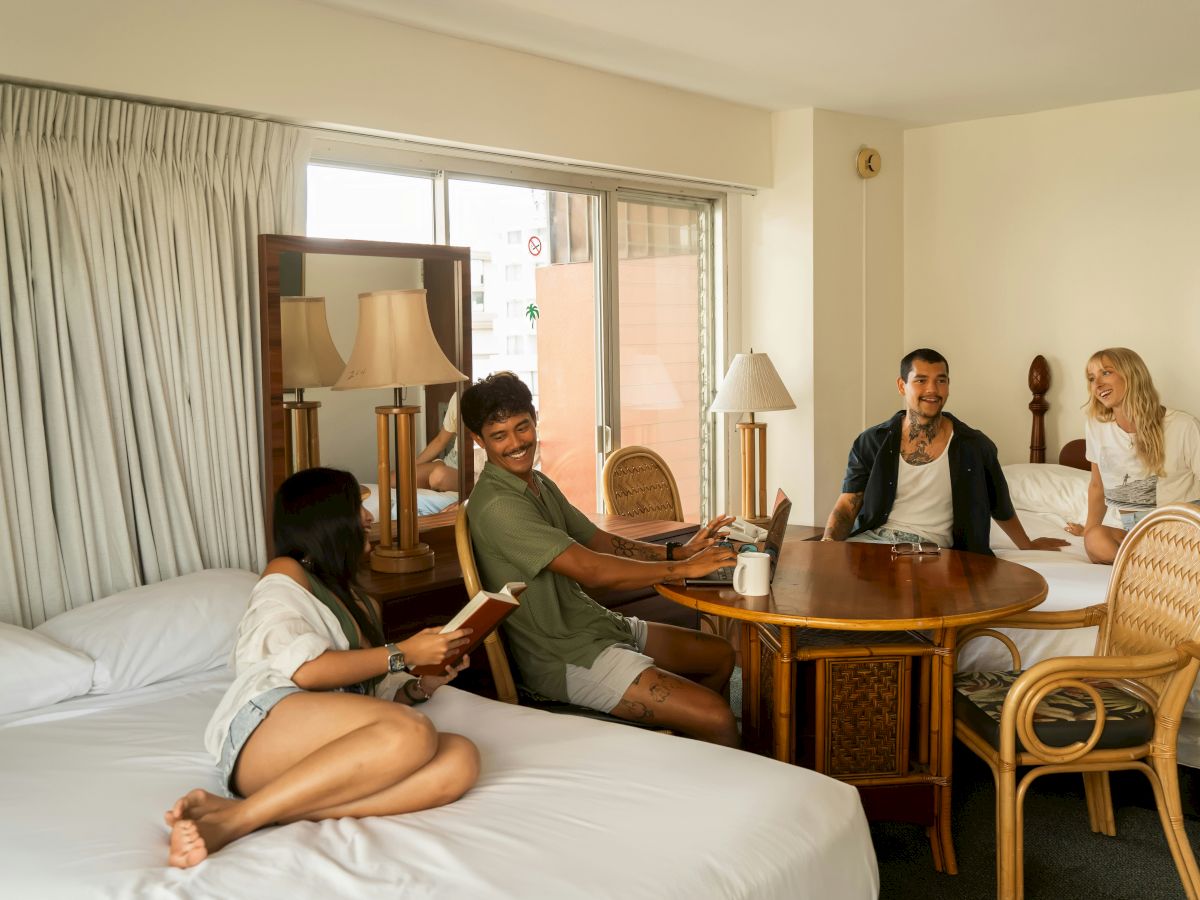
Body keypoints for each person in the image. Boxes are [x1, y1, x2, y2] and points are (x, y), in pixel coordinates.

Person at [165, 467, 479, 868]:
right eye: (358, 507)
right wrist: (402, 653)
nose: (369, 518)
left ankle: (265, 811)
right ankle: (235, 822)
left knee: (460, 759)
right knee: (412, 731)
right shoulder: (286, 572)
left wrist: (421, 685)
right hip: (267, 732)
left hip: (327, 748)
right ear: (326, 518)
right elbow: (306, 671)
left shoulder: (363, 603)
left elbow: (368, 697)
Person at [460, 372, 742, 746]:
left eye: (522, 427)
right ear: (478, 440)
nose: (516, 443)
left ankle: (690, 756)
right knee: (717, 716)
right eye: (499, 436)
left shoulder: (538, 483)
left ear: (534, 419)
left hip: (595, 626)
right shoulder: (499, 506)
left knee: (720, 656)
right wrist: (682, 568)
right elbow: (591, 570)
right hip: (563, 656)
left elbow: (599, 541)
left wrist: (678, 551)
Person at [823, 348, 1067, 555]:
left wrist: (1027, 545)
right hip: (870, 544)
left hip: (930, 554)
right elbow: (847, 506)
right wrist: (827, 546)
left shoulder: (975, 446)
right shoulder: (871, 441)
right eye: (921, 380)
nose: (933, 389)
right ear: (901, 386)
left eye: (941, 380)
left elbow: (1000, 505)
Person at [1066, 348, 1200, 564]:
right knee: (1095, 539)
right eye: (1091, 378)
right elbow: (1097, 486)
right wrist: (1088, 531)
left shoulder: (1184, 426)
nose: (1097, 384)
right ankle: (1150, 568)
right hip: (1137, 534)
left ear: (1132, 375)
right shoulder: (1096, 426)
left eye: (1106, 373)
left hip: (1185, 532)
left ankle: (1148, 567)